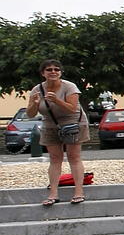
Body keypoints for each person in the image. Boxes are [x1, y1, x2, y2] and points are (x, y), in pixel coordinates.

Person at [26, 60, 89, 206]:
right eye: (49, 70)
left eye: (56, 69)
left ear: (60, 72)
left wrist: (57, 100)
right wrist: (34, 105)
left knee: (74, 157)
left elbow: (73, 108)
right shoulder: (36, 90)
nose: (53, 72)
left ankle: (79, 191)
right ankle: (53, 193)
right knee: (55, 158)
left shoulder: (69, 87)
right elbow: (30, 114)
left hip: (73, 122)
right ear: (43, 73)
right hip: (50, 124)